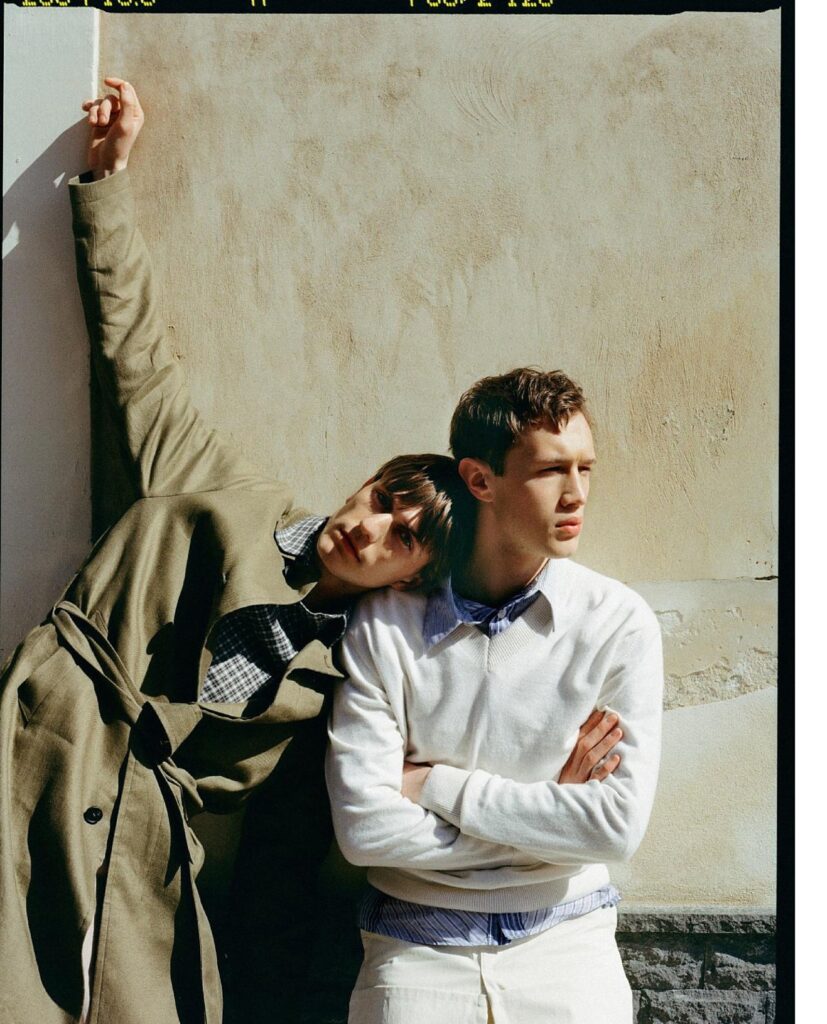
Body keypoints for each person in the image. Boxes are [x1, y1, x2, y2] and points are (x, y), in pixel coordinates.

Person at [0, 79, 469, 1024]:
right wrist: (106, 182)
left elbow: (299, 852)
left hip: (143, 870)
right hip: (32, 764)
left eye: (403, 535)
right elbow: (135, 357)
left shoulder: (348, 674)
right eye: (381, 498)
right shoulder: (221, 493)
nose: (370, 527)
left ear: (415, 572)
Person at [326, 368, 664, 1023]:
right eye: (550, 471)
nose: (575, 494)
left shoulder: (618, 623)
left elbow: (613, 829)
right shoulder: (385, 624)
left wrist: (431, 785)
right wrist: (553, 824)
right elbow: (365, 831)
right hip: (414, 944)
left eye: (585, 469)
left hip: (567, 942)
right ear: (480, 480)